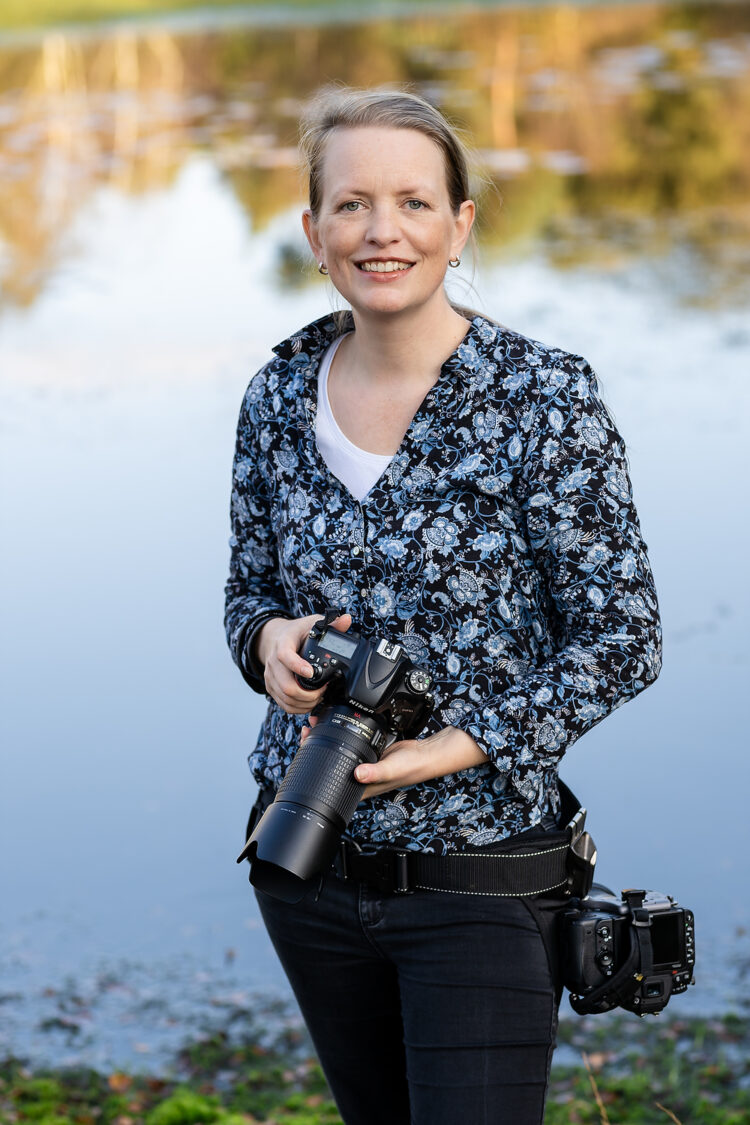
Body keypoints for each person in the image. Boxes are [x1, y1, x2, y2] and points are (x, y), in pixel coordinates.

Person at [224, 86, 661, 1125]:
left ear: (459, 226)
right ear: (313, 231)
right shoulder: (278, 394)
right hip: (307, 863)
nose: (384, 231)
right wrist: (267, 642)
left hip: (486, 876)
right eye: (353, 205)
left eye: (415, 203)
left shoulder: (542, 397)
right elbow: (248, 591)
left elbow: (623, 637)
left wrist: (458, 745)